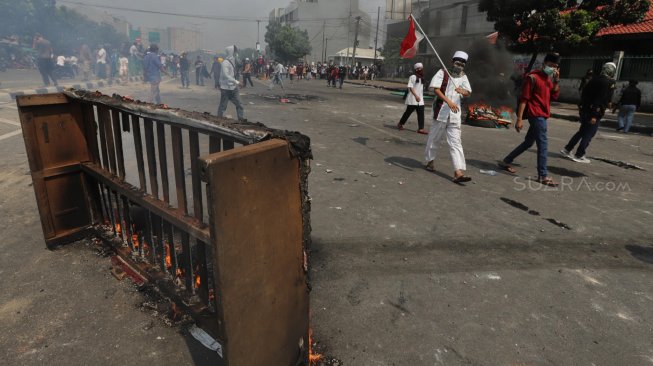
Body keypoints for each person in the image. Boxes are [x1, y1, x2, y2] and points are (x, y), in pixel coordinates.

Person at [499, 53, 561, 186]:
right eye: (550, 66)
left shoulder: (548, 80)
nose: (553, 69)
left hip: (543, 115)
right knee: (543, 145)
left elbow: (554, 96)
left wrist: (556, 80)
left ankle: (506, 160)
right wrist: (519, 119)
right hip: (536, 115)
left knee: (528, 142)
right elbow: (524, 100)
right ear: (544, 64)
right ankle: (543, 175)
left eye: (555, 67)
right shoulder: (532, 78)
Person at [424, 51, 473, 183]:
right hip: (440, 112)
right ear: (452, 61)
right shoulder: (442, 72)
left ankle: (458, 172)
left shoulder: (463, 77)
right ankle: (430, 161)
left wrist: (463, 91)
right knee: (434, 139)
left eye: (462, 63)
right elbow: (435, 89)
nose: (460, 65)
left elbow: (468, 92)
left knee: (456, 143)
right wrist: (448, 101)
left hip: (455, 115)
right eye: (457, 62)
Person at [561, 62, 616, 163]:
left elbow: (585, 94)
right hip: (593, 112)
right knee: (589, 133)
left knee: (582, 131)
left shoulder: (594, 79)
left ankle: (567, 149)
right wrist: (595, 115)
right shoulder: (606, 82)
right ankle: (579, 154)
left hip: (585, 109)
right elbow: (599, 99)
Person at [397, 63, 427, 134]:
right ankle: (400, 123)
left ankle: (421, 129)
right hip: (413, 99)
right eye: (419, 68)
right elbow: (410, 87)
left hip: (420, 100)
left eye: (421, 68)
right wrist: (416, 96)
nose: (421, 69)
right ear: (416, 69)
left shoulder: (422, 77)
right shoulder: (413, 76)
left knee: (421, 114)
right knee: (408, 112)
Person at [217, 45, 245, 121]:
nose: (236, 53)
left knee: (240, 105)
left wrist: (236, 82)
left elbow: (240, 66)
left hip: (233, 88)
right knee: (223, 106)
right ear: (231, 52)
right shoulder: (225, 63)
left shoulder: (234, 61)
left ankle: (241, 120)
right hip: (225, 88)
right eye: (235, 52)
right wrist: (237, 82)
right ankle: (218, 120)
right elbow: (226, 75)